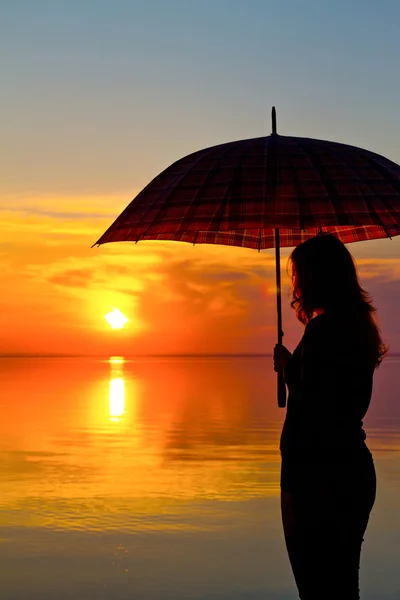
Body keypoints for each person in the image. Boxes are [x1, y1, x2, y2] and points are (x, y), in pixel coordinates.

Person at [273, 233, 388, 600]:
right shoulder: (357, 327)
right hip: (349, 469)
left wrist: (291, 371)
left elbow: (317, 403)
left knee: (318, 588)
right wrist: (293, 368)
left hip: (318, 477)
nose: (298, 285)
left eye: (301, 275)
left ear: (320, 278)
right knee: (341, 586)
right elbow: (335, 394)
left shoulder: (324, 331)